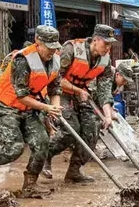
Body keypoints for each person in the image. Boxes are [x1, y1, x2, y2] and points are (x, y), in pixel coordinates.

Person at [0, 26, 63, 198]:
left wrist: (55, 108)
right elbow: (21, 96)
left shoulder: (55, 59)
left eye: (54, 47)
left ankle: (30, 186)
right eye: (48, 47)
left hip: (30, 107)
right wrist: (46, 108)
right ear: (38, 42)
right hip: (7, 104)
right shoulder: (23, 60)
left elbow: (55, 87)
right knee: (14, 148)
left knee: (42, 142)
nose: (51, 51)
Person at [46, 24, 115, 184]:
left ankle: (74, 171)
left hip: (81, 94)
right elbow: (56, 79)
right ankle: (45, 156)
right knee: (72, 129)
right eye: (106, 43)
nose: (108, 48)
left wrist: (107, 115)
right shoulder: (71, 49)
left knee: (92, 129)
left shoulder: (105, 59)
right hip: (60, 92)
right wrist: (77, 90)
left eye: (110, 44)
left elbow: (104, 89)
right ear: (95, 40)